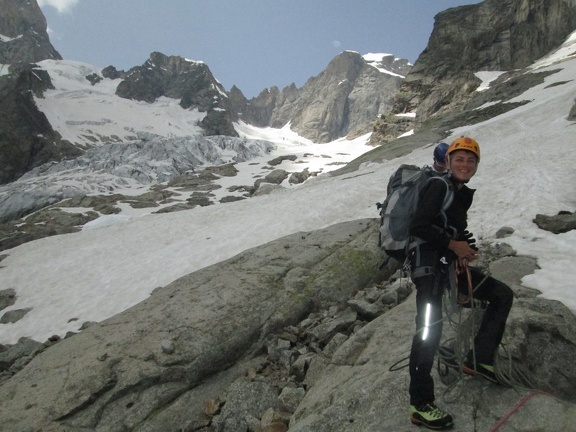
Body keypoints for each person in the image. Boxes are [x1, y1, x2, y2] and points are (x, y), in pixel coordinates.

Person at [407, 136, 514, 430]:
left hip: (448, 266)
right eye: (459, 159)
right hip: (428, 269)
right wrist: (454, 245)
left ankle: (479, 359)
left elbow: (451, 228)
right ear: (449, 162)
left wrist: (464, 245)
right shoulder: (438, 185)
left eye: (470, 160)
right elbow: (418, 226)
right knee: (428, 331)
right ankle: (420, 404)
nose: (465, 165)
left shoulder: (459, 191)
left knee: (502, 295)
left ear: (476, 164)